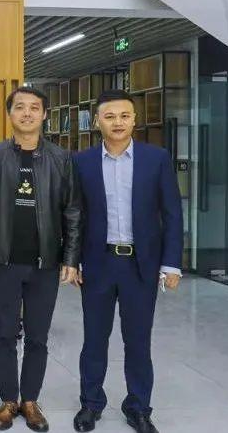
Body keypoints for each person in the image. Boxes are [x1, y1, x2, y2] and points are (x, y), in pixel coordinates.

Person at [71, 89, 182, 433]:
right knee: (94, 339)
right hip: (98, 263)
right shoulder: (82, 162)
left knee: (138, 341)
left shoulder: (156, 158)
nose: (117, 122)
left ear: (134, 119)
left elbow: (172, 213)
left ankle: (139, 407)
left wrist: (171, 264)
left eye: (124, 116)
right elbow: (75, 215)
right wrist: (72, 261)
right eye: (109, 116)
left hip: (140, 265)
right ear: (97, 122)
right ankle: (91, 403)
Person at [0, 86, 82, 432]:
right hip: (4, 260)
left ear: (44, 114)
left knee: (38, 336)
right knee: (4, 334)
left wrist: (71, 258)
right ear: (9, 114)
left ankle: (30, 401)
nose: (27, 113)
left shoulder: (61, 158)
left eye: (34, 107)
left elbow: (72, 211)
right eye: (19, 107)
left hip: (45, 263)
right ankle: (9, 399)